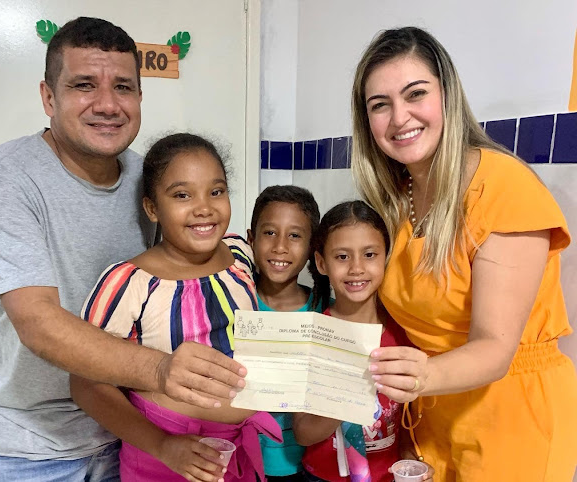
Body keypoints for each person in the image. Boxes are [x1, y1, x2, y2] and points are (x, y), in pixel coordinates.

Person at [0, 17, 247, 481]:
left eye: (123, 87)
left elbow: (178, 283)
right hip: (30, 449)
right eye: (84, 85)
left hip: (131, 433)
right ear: (48, 97)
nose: (108, 104)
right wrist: (163, 370)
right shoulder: (5, 179)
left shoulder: (150, 179)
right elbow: (39, 324)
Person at [350, 26, 577, 481]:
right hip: (432, 415)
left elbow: (494, 348)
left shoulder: (504, 188)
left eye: (416, 94)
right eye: (380, 105)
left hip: (511, 416)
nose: (399, 118)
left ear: (448, 96)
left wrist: (422, 377)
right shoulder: (394, 198)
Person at [70, 133, 282, 482]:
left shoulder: (240, 255)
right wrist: (163, 445)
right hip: (164, 458)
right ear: (152, 208)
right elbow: (85, 384)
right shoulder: (129, 282)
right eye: (182, 195)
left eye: (216, 191)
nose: (204, 207)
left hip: (238, 454)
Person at [292, 201, 433, 482]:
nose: (356, 268)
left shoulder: (404, 334)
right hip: (323, 477)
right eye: (342, 257)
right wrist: (346, 399)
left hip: (388, 475)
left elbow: (406, 418)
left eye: (369, 254)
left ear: (386, 258)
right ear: (321, 263)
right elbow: (303, 434)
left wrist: (411, 461)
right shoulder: (313, 336)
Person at [246, 185, 323, 481]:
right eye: (269, 232)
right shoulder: (236, 304)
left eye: (294, 235)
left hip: (309, 463)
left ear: (312, 246)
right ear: (251, 239)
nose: (280, 246)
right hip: (244, 458)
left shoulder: (325, 313)